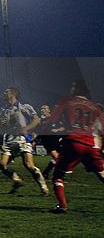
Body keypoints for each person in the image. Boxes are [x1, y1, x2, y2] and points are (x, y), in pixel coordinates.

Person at [45, 80, 104, 213]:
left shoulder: (66, 102)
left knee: (58, 176)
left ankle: (62, 206)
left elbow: (51, 121)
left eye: (73, 86)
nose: (71, 88)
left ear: (77, 88)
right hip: (90, 144)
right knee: (101, 174)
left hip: (73, 142)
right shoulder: (95, 107)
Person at [0, 87, 49, 194]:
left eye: (6, 92)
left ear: (12, 94)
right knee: (1, 164)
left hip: (22, 139)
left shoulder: (24, 107)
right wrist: (0, 124)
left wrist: (26, 128)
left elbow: (36, 120)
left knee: (29, 165)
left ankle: (43, 187)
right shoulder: (3, 109)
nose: (4, 93)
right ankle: (16, 180)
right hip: (9, 139)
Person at [35, 104, 64, 178]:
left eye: (44, 108)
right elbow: (37, 131)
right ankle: (57, 174)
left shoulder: (54, 119)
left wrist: (57, 130)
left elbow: (63, 127)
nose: (42, 110)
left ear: (49, 110)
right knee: (56, 157)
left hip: (56, 140)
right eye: (41, 108)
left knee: (59, 158)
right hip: (47, 141)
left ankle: (46, 172)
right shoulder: (39, 120)